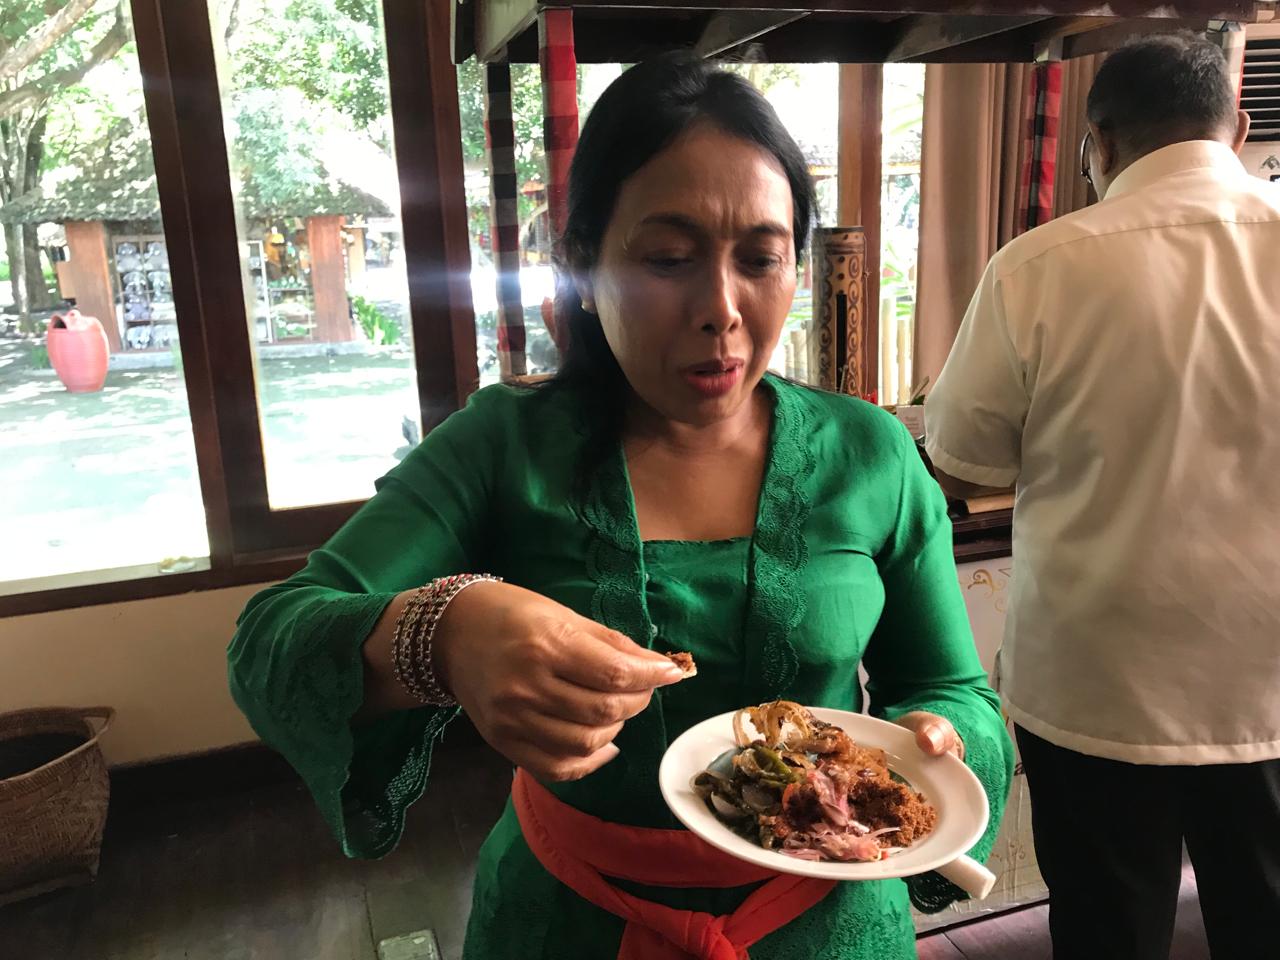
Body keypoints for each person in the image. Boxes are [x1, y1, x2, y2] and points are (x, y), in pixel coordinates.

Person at [229, 54, 1012, 960]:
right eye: (669, 259)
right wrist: (442, 633)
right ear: (580, 265)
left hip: (826, 928)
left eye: (761, 259)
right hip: (566, 922)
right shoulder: (504, 447)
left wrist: (941, 741)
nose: (721, 309)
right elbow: (270, 641)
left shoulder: (870, 454)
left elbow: (954, 690)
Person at [925, 34, 1280, 960]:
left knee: (1107, 935)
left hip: (1097, 683)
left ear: (1099, 144)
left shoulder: (1038, 267)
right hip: (1271, 685)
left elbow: (961, 464)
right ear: (1239, 127)